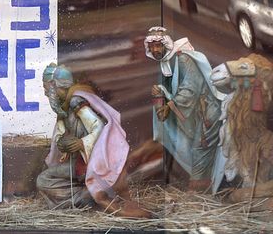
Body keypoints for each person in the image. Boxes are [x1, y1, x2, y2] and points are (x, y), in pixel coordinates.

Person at [37, 63, 148, 217]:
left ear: (55, 85)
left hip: (89, 161)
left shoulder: (75, 102)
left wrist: (81, 143)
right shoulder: (64, 106)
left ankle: (89, 200)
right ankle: (85, 199)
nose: (45, 93)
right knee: (46, 178)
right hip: (78, 160)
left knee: (44, 179)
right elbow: (61, 132)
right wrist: (62, 142)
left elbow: (98, 126)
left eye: (46, 88)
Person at [144, 26, 222, 191]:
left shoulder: (182, 59)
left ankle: (198, 191)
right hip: (195, 115)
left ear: (166, 44)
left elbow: (190, 90)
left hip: (207, 112)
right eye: (151, 47)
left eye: (158, 45)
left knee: (200, 150)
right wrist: (160, 91)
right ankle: (211, 187)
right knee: (195, 151)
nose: (155, 50)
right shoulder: (166, 63)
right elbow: (172, 89)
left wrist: (169, 106)